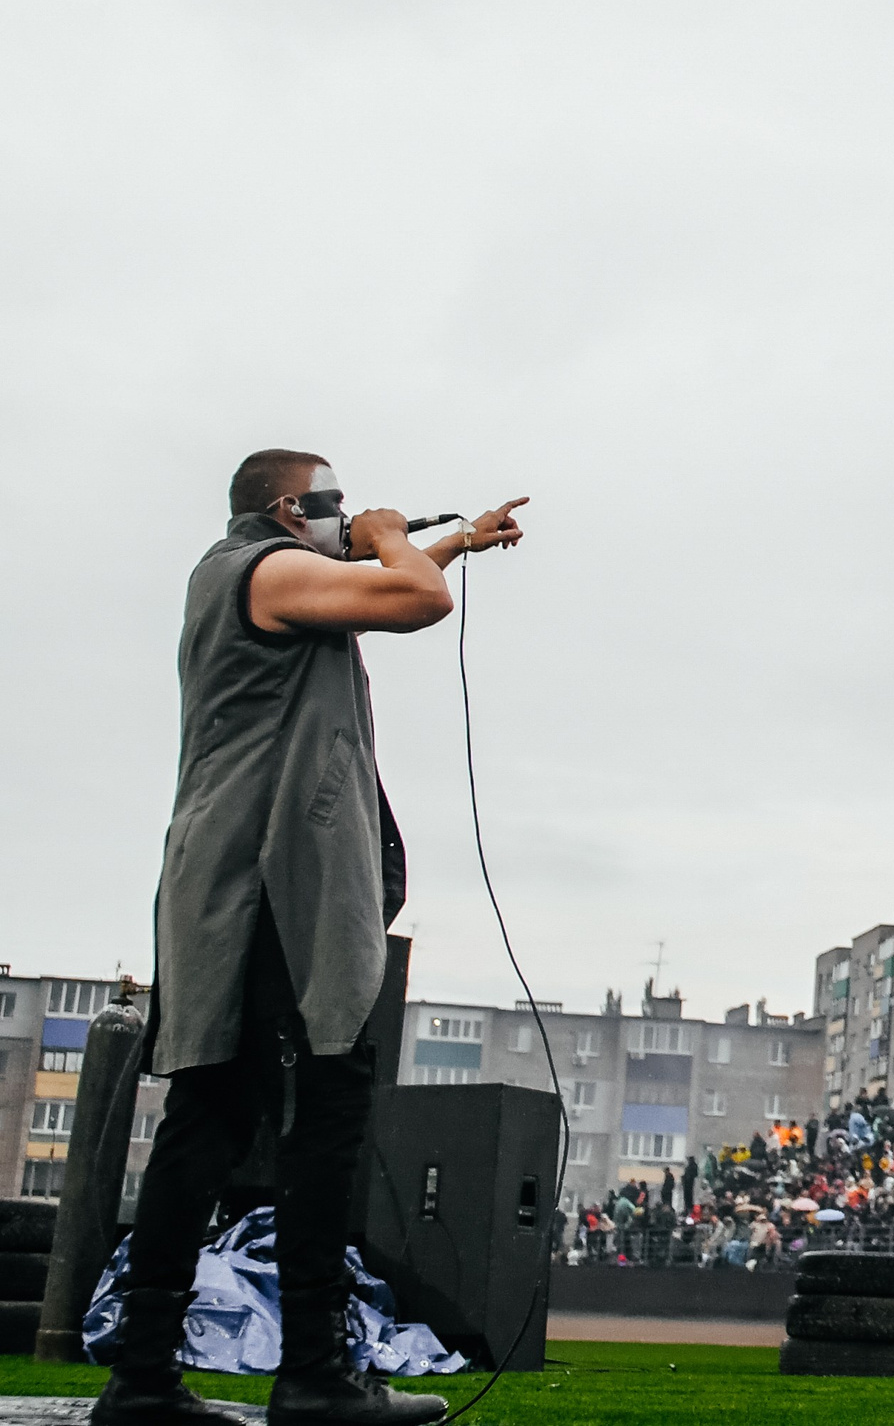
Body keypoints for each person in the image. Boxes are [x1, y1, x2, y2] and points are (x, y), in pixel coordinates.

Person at [96, 451, 524, 1426]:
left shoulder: (243, 573)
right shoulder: (267, 570)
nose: (350, 517)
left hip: (235, 881)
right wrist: (389, 537)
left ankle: (144, 1380)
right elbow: (412, 602)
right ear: (295, 510)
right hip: (268, 884)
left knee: (209, 1118)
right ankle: (317, 1377)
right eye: (333, 502)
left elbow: (393, 579)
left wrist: (455, 538)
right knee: (326, 1104)